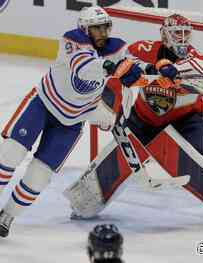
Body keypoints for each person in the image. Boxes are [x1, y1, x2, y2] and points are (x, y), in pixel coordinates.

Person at [0, 6, 144, 238]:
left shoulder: (115, 47)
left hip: (73, 120)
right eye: (97, 29)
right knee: (10, 153)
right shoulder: (72, 40)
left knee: (40, 175)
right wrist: (113, 68)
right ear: (85, 29)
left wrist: (154, 71)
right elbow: (84, 69)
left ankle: (8, 215)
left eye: (105, 27)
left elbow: (133, 63)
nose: (103, 33)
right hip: (43, 104)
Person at [125, 14, 203, 225]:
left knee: (193, 164)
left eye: (185, 33)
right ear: (164, 35)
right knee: (122, 156)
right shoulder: (145, 50)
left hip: (186, 121)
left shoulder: (198, 62)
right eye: (176, 34)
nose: (181, 39)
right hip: (144, 120)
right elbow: (126, 58)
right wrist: (149, 69)